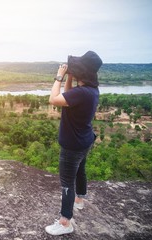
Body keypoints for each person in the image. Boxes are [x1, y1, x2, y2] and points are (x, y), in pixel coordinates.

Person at [45, 51, 102, 236]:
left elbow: (54, 99)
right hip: (85, 140)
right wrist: (71, 76)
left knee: (67, 183)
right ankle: (80, 200)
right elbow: (70, 96)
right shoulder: (90, 91)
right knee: (80, 170)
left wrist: (59, 77)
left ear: (82, 73)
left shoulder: (82, 93)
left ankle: (65, 222)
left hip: (73, 145)